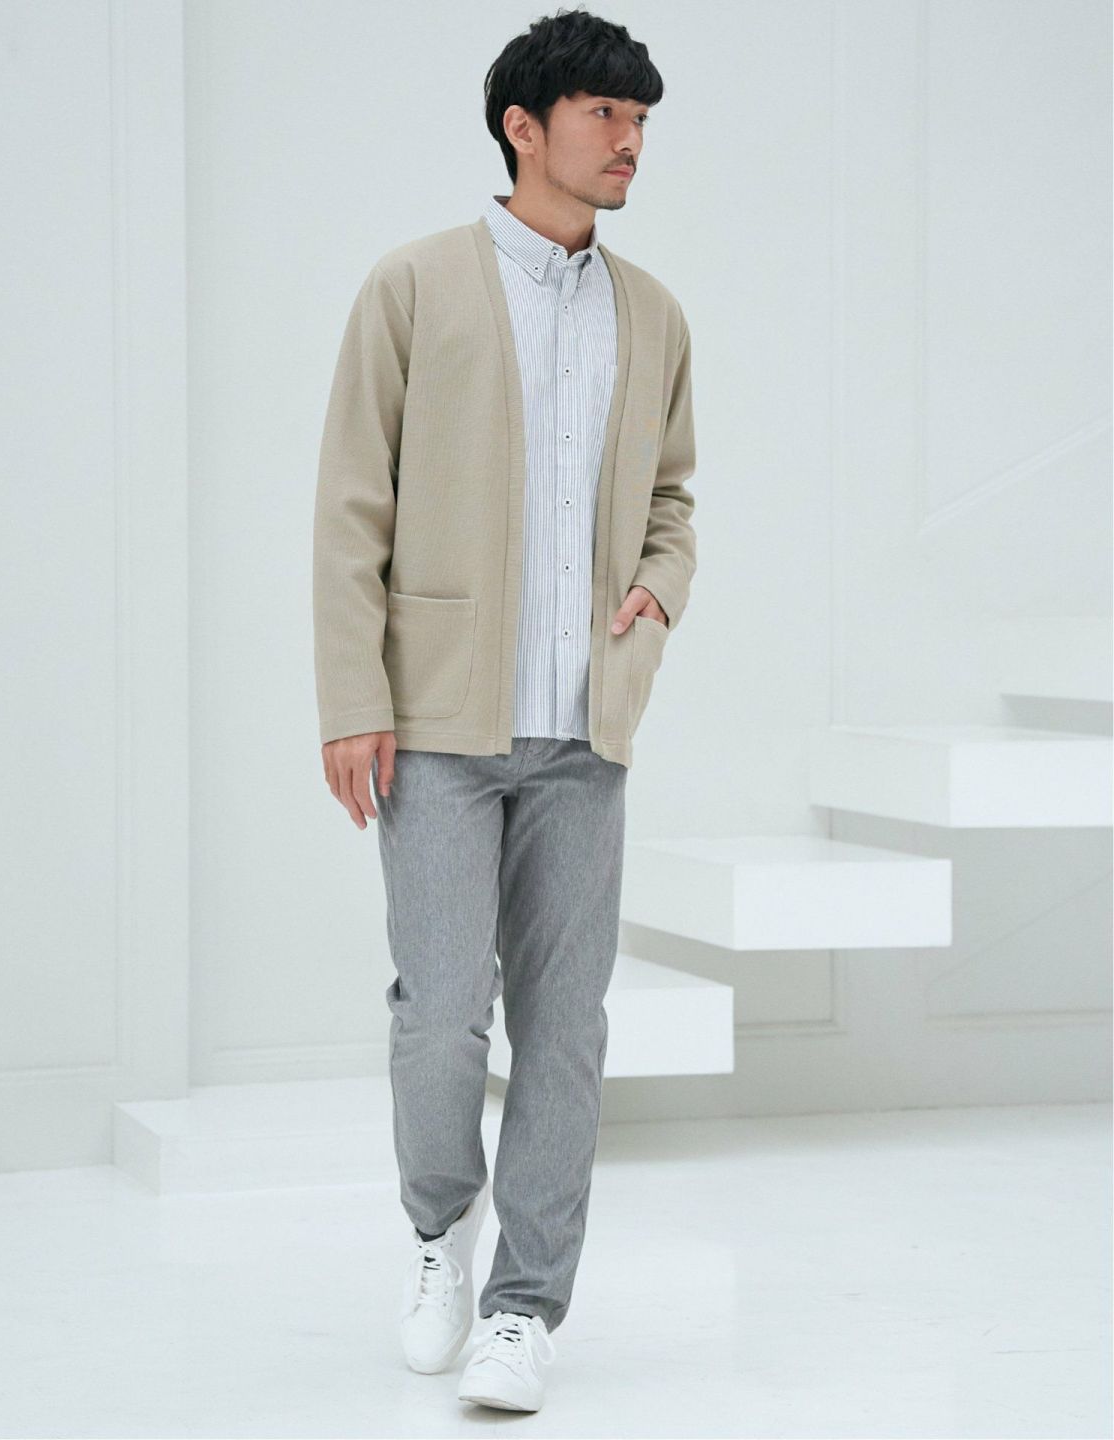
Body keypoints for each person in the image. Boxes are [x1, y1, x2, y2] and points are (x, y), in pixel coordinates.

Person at [312, 6, 697, 1414]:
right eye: (604, 115)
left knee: (566, 1027)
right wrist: (352, 697)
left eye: (640, 120)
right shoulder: (414, 286)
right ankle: (440, 1237)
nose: (629, 141)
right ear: (523, 128)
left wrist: (657, 590)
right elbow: (351, 503)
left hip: (586, 733)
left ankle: (525, 1308)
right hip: (435, 729)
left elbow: (674, 500)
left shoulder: (653, 314)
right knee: (439, 1020)